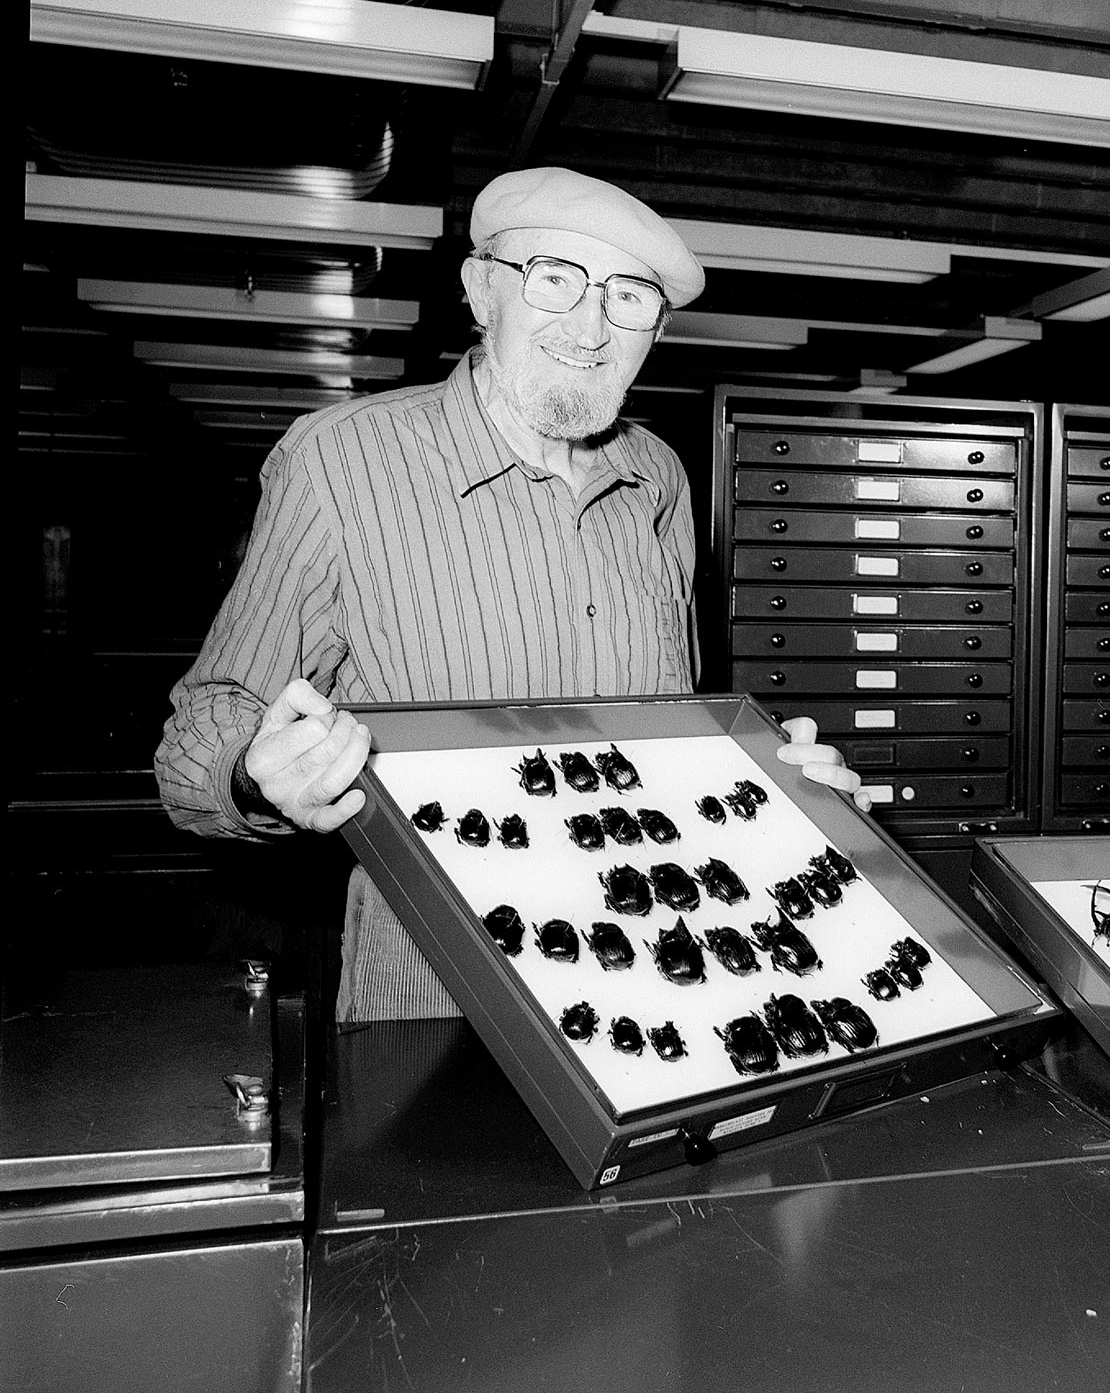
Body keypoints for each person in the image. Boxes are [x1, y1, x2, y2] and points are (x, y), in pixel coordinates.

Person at [156, 167, 863, 1022]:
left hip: (656, 980)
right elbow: (204, 727)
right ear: (481, 289)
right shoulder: (341, 460)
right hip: (442, 1003)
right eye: (555, 279)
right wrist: (258, 775)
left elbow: (677, 733)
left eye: (629, 297)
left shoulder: (658, 477)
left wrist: (776, 791)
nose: (590, 327)